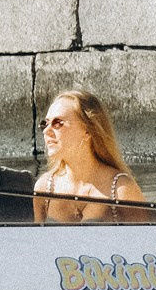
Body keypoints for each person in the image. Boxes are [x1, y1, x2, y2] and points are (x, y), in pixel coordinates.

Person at [35, 90, 146, 224]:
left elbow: (144, 242)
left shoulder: (121, 190)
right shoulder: (44, 188)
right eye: (45, 124)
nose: (47, 131)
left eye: (58, 123)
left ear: (88, 130)